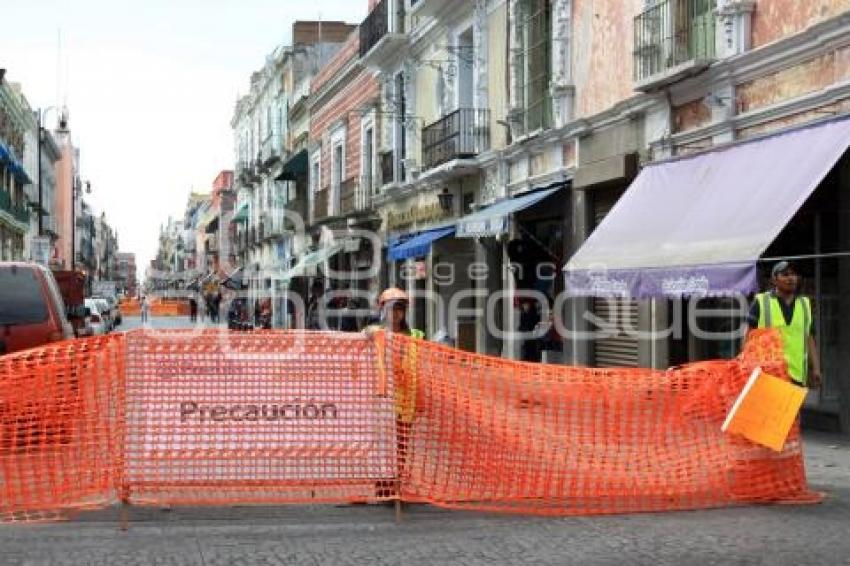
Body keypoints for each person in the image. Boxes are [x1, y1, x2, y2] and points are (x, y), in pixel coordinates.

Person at [748, 261, 822, 388]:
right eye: (785, 274)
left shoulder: (805, 304)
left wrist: (816, 368)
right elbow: (748, 337)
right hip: (769, 374)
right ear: (774, 280)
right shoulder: (761, 302)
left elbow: (809, 338)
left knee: (794, 408)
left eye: (794, 274)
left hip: (797, 375)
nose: (791, 278)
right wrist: (746, 367)